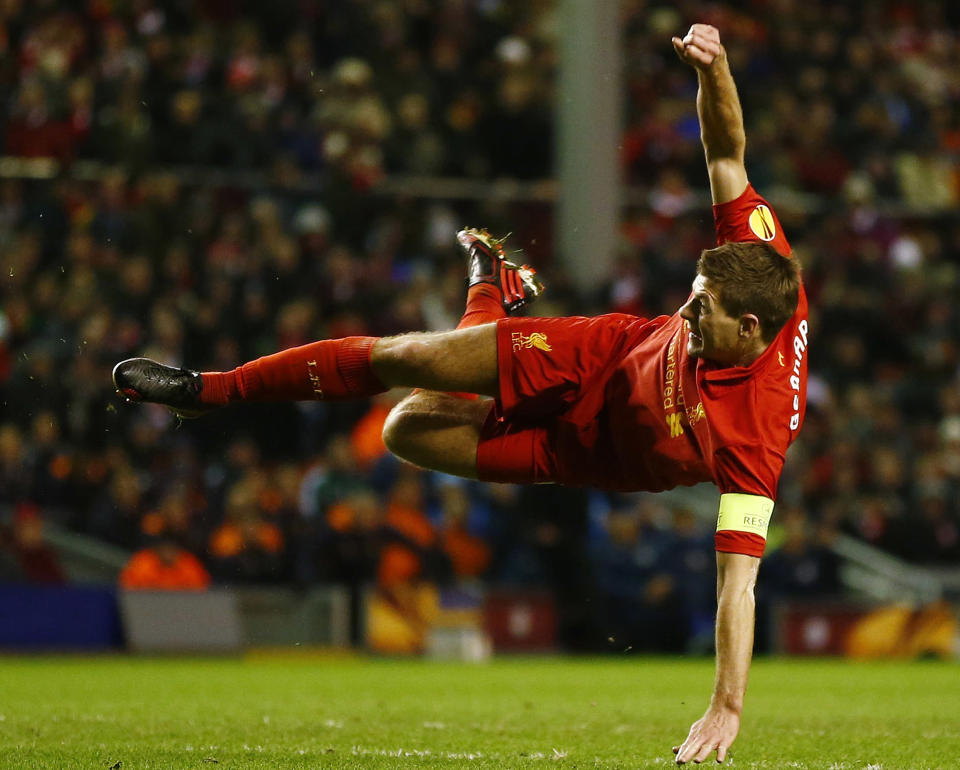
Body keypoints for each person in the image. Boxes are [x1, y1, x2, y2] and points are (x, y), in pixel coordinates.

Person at [113, 24, 807, 765]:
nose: (689, 313)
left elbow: (738, 585)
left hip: (587, 452)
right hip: (597, 355)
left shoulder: (755, 437)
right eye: (693, 298)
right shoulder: (757, 257)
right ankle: (209, 391)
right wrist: (716, 69)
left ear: (752, 328)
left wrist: (726, 708)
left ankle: (490, 289)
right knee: (410, 356)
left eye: (702, 312)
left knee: (406, 431)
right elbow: (726, 152)